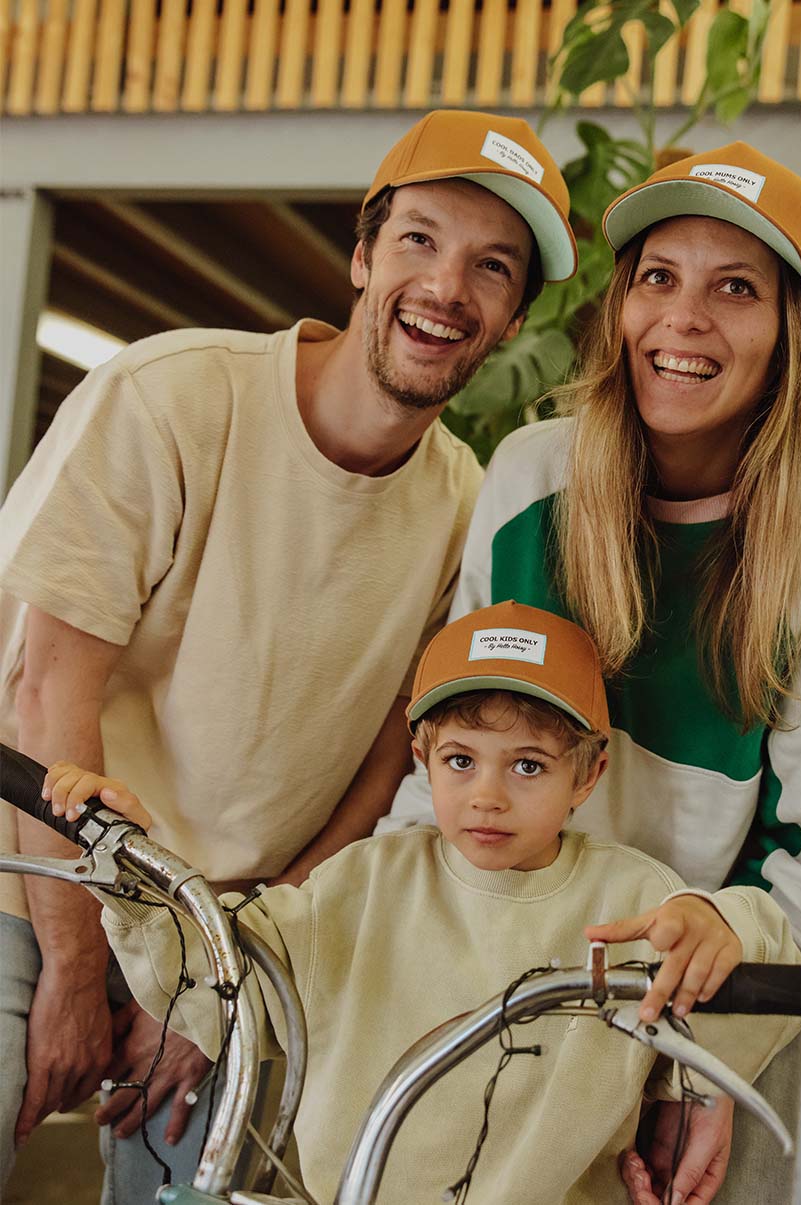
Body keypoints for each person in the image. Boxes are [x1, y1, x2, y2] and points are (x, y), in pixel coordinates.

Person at [0, 110, 578, 1201]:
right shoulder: (171, 395)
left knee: (202, 1181)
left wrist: (225, 972)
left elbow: (383, 760)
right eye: (418, 240)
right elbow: (46, 687)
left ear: (508, 319)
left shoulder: (467, 502)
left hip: (223, 921)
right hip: (35, 866)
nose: (446, 286)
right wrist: (79, 968)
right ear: (362, 257)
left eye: (490, 267)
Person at [382, 142, 801, 1202]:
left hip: (695, 990)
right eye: (658, 278)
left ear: (790, 332)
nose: (683, 317)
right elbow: (443, 757)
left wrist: (707, 1053)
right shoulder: (530, 478)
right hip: (499, 968)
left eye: (734, 287)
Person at [42, 600, 801, 1204]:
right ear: (422, 759)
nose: (488, 796)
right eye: (461, 760)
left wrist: (721, 919)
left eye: (529, 765)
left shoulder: (634, 897)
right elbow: (222, 975)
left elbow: (767, 960)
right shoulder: (362, 882)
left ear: (588, 774)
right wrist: (132, 866)